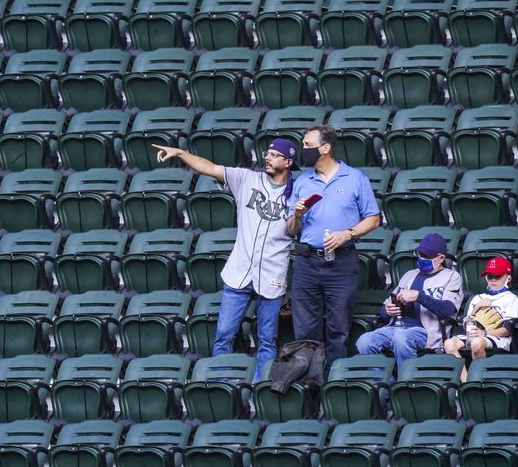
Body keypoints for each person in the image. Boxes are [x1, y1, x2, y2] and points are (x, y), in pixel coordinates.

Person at [153, 139, 297, 381]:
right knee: (224, 334)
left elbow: (295, 230)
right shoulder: (247, 179)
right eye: (267, 153)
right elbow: (209, 167)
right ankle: (223, 384)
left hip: (272, 276)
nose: (268, 158)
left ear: (288, 162)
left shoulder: (298, 190)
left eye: (274, 155)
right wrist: (180, 153)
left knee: (267, 340)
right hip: (239, 272)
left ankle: (260, 387)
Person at [286, 125, 381, 365]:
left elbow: (373, 219)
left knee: (338, 329)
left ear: (325, 148)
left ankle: (335, 385)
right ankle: (310, 385)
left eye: (308, 145)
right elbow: (291, 230)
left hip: (341, 262)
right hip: (307, 262)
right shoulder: (302, 182)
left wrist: (348, 234)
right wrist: (297, 215)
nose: (303, 149)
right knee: (305, 330)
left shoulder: (355, 178)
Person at [355, 233, 463, 371]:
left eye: (427, 256)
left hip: (425, 331)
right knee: (364, 341)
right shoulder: (409, 275)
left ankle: (405, 383)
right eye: (420, 254)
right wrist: (387, 310)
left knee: (401, 339)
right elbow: (385, 309)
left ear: (441, 258)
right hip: (396, 327)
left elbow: (448, 310)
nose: (422, 258)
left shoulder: (451, 277)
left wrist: (419, 296)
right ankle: (384, 385)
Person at [443, 256, 518, 382]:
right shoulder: (477, 298)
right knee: (449, 344)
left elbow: (508, 329)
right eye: (490, 276)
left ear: (508, 278)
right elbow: (467, 324)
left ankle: (478, 381)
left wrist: (485, 333)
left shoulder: (511, 298)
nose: (493, 280)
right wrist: (477, 308)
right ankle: (467, 383)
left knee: (477, 343)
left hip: (499, 338)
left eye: (498, 276)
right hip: (475, 335)